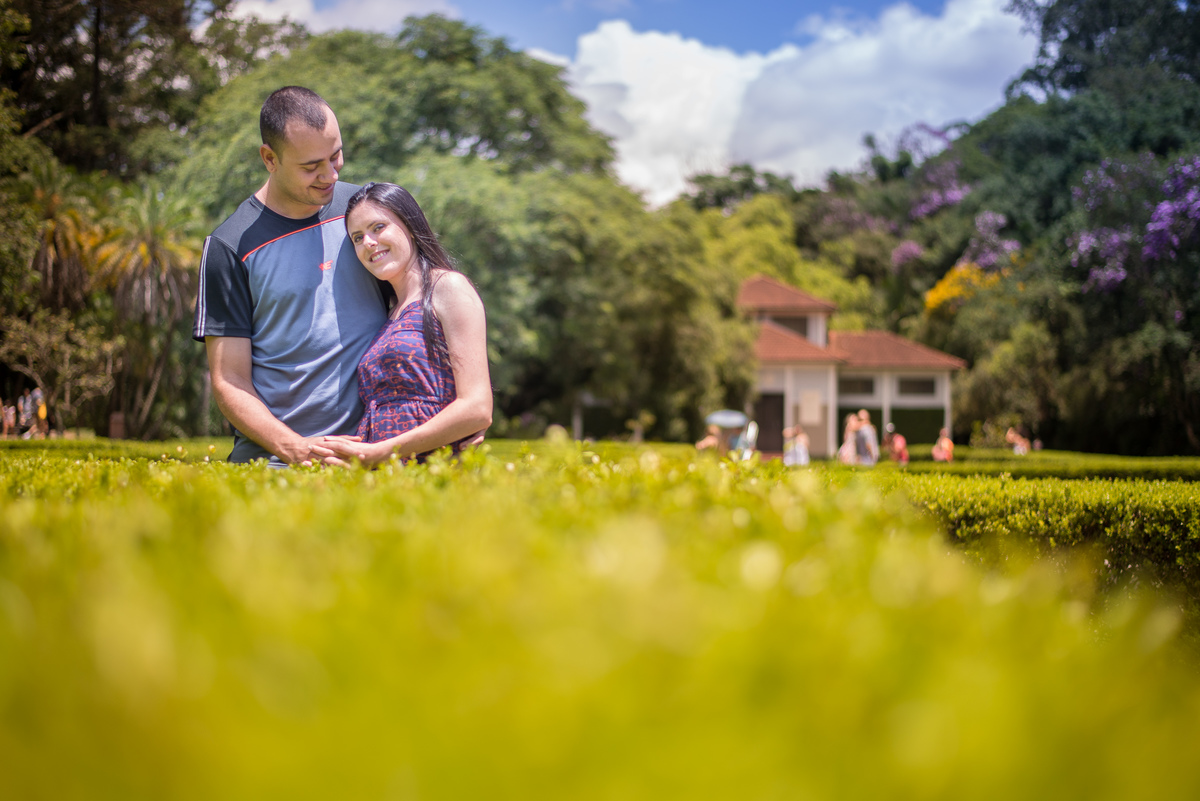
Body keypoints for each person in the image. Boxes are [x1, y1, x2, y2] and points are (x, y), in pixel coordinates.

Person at [192, 86, 389, 466]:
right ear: (270, 158)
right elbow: (229, 380)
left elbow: (417, 310)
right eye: (311, 166)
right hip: (273, 466)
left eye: (336, 156)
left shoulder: (364, 213)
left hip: (369, 456)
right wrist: (296, 450)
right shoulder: (229, 245)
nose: (329, 175)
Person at [318, 182, 492, 466]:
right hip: (384, 475)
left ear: (410, 226)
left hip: (436, 473)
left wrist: (381, 452)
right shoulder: (388, 314)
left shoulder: (448, 287)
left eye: (378, 227)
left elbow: (477, 408)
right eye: (357, 238)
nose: (368, 243)